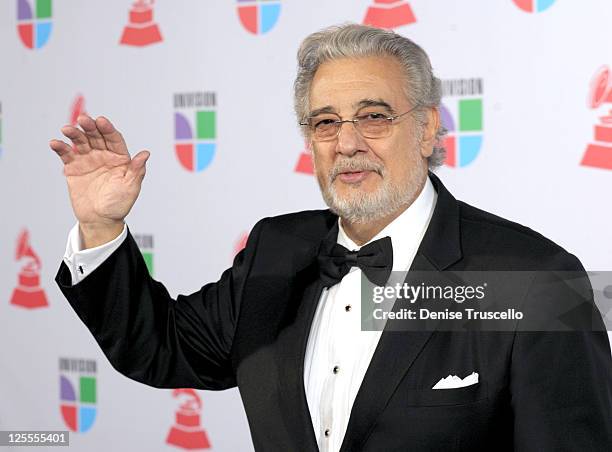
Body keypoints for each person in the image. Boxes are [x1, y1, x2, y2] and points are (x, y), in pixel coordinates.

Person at [50, 24, 612, 451]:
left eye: (374, 116)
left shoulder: (531, 278)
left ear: (427, 128)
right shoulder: (277, 249)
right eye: (325, 122)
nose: (346, 143)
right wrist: (101, 227)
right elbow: (162, 346)